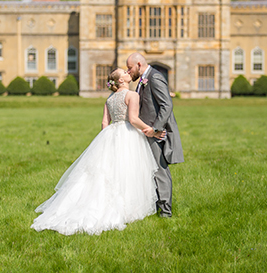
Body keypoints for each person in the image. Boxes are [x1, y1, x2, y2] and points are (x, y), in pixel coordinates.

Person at [31, 68, 158, 235]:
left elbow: (105, 123)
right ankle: (128, 206)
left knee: (107, 171)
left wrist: (106, 139)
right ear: (121, 81)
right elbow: (133, 119)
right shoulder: (132, 95)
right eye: (124, 73)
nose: (128, 73)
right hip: (127, 134)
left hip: (111, 134)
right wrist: (152, 130)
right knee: (127, 169)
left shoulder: (110, 99)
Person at [126, 53, 184, 217]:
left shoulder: (155, 77)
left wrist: (156, 129)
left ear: (138, 64)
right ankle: (155, 205)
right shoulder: (144, 79)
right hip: (146, 131)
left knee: (160, 170)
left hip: (155, 133)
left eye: (130, 68)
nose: (128, 71)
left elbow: (166, 105)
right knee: (150, 170)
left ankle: (165, 211)